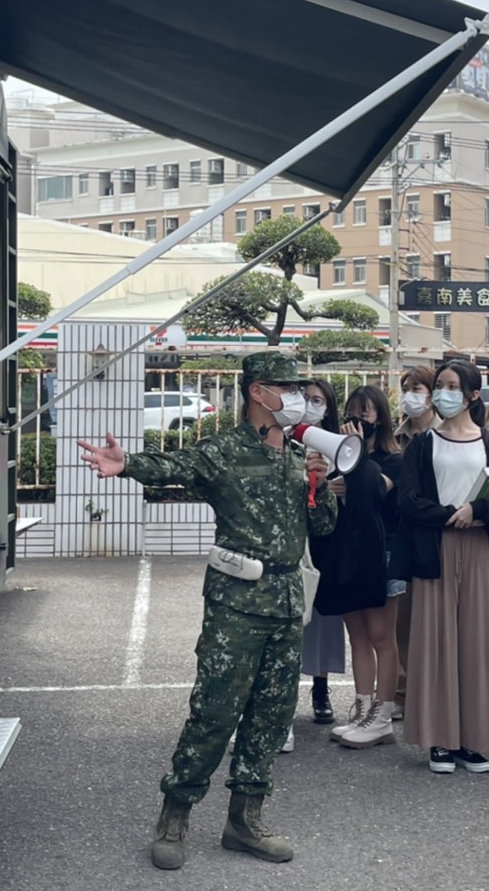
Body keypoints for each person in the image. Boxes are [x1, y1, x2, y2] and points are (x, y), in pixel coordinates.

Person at [79, 352, 336, 870]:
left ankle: (245, 819)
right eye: (286, 389)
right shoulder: (223, 451)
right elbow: (175, 466)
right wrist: (127, 463)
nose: (297, 400)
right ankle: (175, 812)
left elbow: (324, 527)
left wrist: (320, 484)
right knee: (215, 711)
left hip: (286, 604)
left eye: (301, 391)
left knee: (271, 714)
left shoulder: (297, 456)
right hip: (236, 606)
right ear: (257, 392)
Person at [397, 359, 489, 773]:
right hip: (437, 548)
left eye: (451, 386)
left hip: (479, 547)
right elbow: (407, 500)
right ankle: (440, 740)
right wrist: (450, 514)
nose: (442, 393)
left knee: (477, 643)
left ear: (472, 395)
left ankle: (474, 738)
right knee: (435, 643)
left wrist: (476, 510)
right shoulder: (423, 444)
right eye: (439, 386)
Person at [323, 386, 406, 749]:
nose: (357, 420)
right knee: (356, 633)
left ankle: (383, 715)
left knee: (381, 635)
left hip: (384, 555)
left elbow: (374, 491)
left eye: (366, 412)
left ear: (381, 418)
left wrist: (355, 459)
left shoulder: (393, 459)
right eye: (352, 412)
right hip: (348, 554)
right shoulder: (340, 457)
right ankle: (363, 708)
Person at [299, 378, 346, 734]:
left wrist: (331, 490)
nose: (311, 404)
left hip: (328, 541)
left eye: (318, 400)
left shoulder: (336, 446)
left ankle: (320, 689)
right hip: (295, 541)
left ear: (328, 408)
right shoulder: (283, 437)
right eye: (305, 398)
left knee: (325, 618)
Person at [392, 364, 438, 717]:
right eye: (406, 387)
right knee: (402, 619)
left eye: (418, 388)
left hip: (440, 532)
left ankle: (435, 691)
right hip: (402, 534)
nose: (410, 394)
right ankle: (402, 692)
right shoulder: (396, 437)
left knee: (436, 620)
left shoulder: (448, 434)